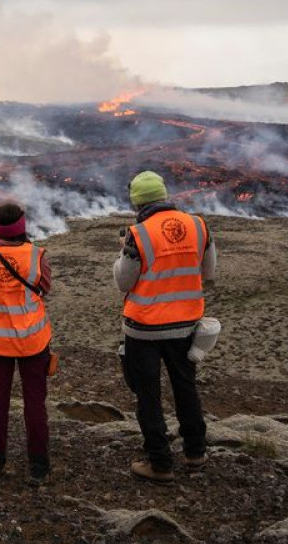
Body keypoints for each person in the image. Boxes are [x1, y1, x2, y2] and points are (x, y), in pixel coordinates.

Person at [113, 171, 217, 484]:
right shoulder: (199, 225)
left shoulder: (138, 233)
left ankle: (160, 463)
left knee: (149, 396)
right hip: (186, 325)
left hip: (144, 328)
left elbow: (123, 281)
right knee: (185, 388)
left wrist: (123, 251)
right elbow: (209, 271)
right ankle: (195, 452)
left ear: (138, 202)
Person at [0, 202, 53, 485]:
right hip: (32, 340)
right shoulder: (36, 255)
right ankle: (38, 466)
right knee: (34, 403)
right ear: (22, 225)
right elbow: (45, 287)